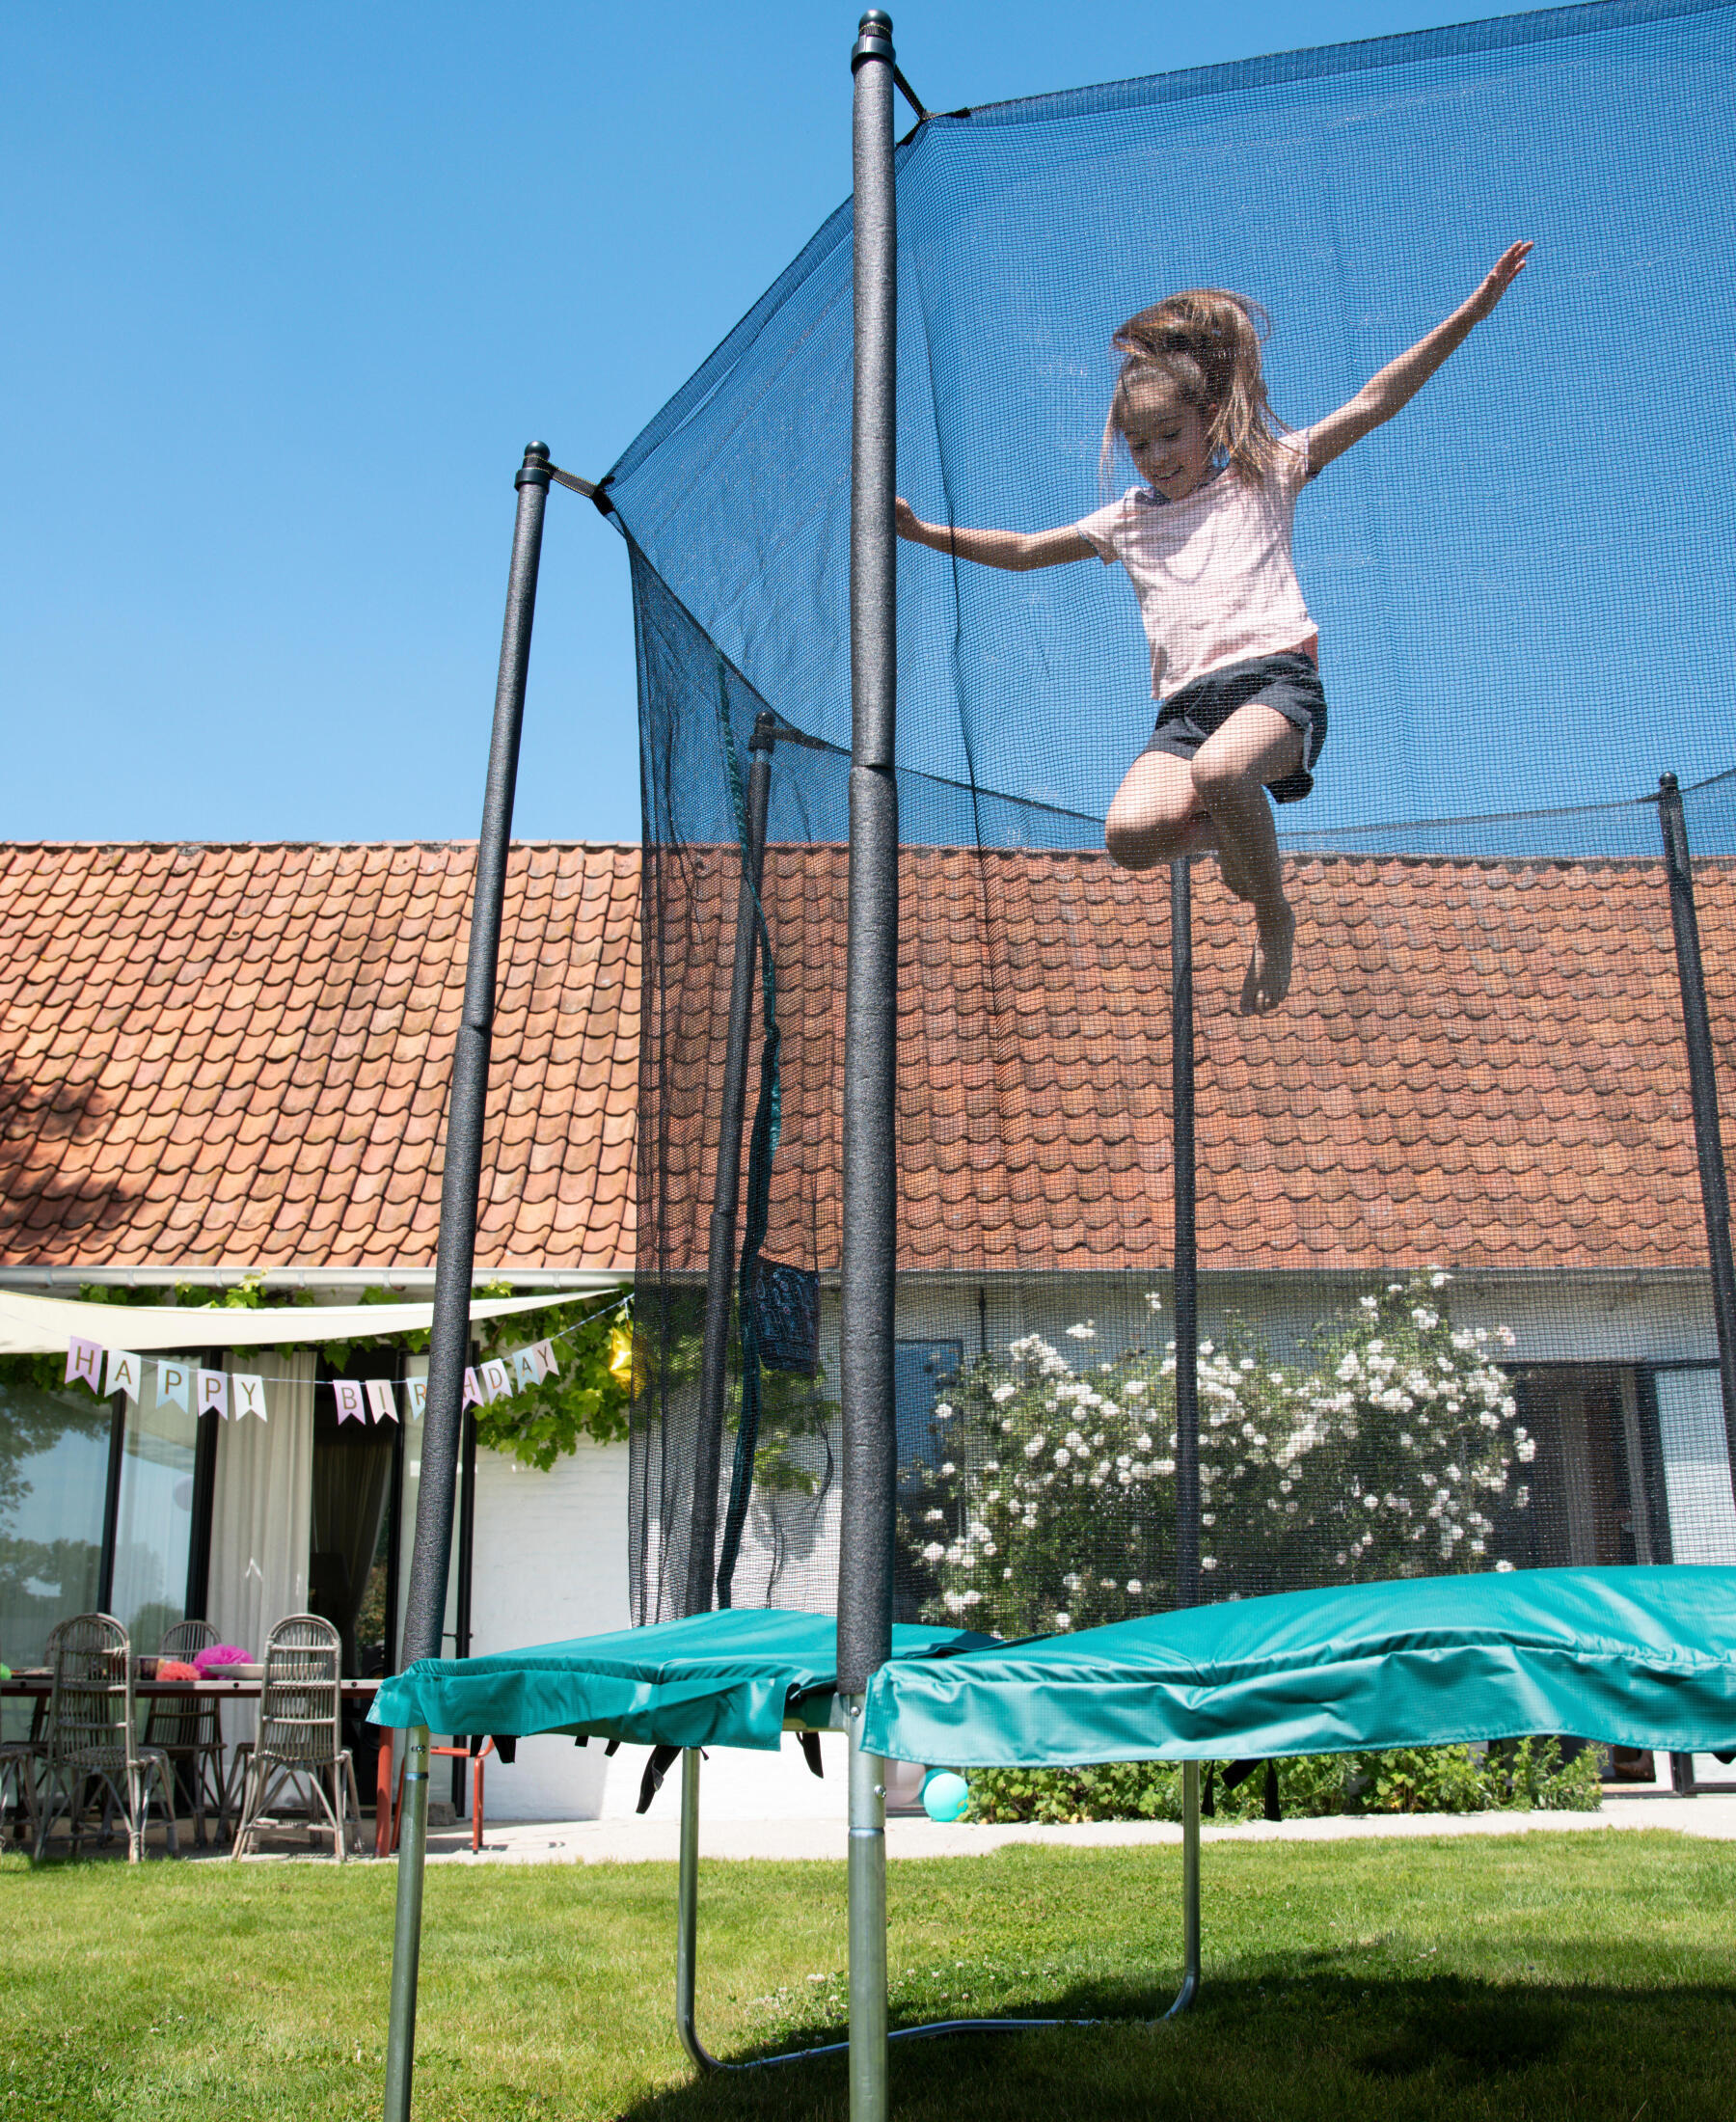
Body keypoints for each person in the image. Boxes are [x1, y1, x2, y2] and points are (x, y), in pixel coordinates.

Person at [896, 241, 1532, 1013]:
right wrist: (927, 533)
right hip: (1185, 712)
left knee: (1223, 771)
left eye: (1170, 434)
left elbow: (1374, 401)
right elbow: (1028, 551)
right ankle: (1233, 837)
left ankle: (1273, 913)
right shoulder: (1127, 521)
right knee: (1128, 838)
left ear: (1206, 419)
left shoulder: (1267, 471)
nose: (1157, 457)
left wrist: (1473, 311)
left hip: (1275, 688)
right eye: (1140, 445)